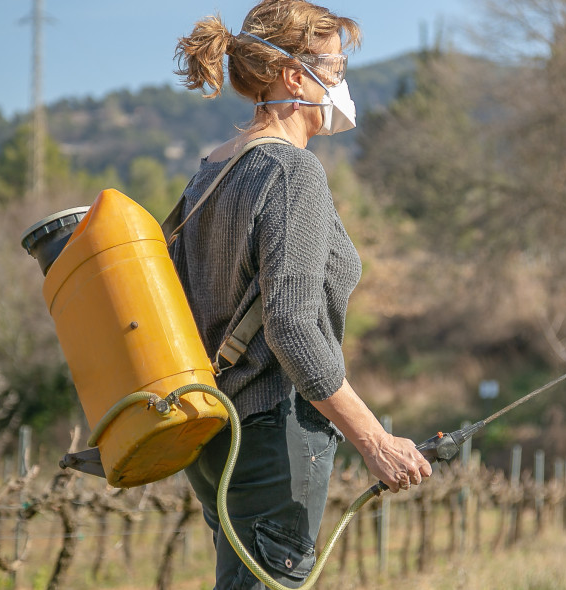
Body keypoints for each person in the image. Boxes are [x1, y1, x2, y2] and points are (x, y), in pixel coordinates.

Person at [171, 2, 433, 588]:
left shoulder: (210, 170)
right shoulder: (292, 173)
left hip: (215, 437)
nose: (342, 84)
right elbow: (291, 327)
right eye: (337, 70)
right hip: (272, 435)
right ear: (296, 76)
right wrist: (375, 439)